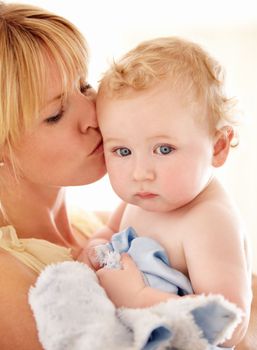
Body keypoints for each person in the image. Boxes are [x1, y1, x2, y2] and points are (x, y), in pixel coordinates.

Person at [85, 36, 252, 348]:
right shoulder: (144, 200)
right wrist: (94, 250)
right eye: (122, 151)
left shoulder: (209, 221)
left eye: (164, 149)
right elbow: (108, 232)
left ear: (217, 147)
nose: (140, 173)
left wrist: (138, 297)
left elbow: (228, 324)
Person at [0, 2, 106, 349]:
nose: (92, 114)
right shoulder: (8, 277)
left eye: (85, 86)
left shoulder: (101, 225)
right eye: (56, 114)